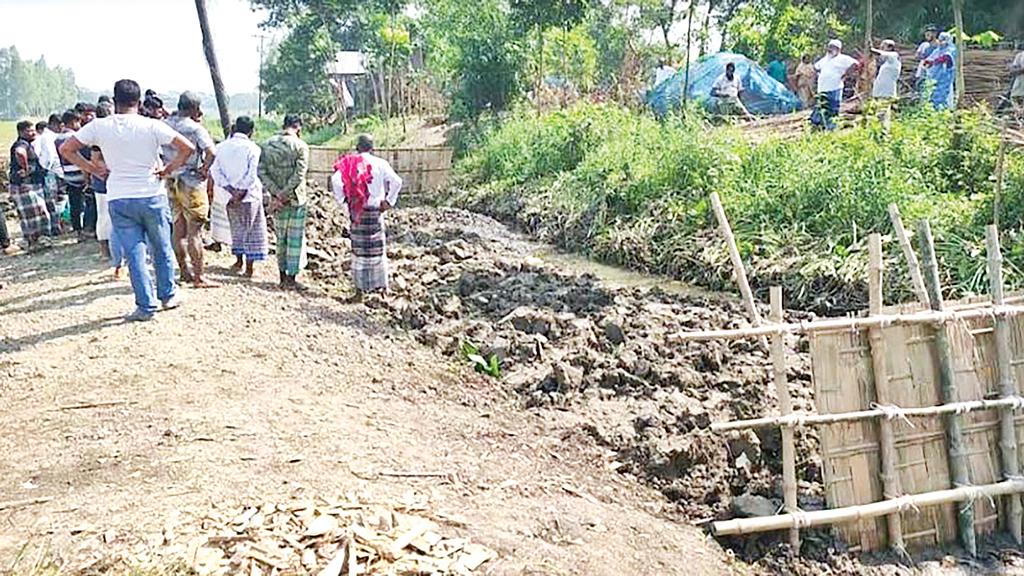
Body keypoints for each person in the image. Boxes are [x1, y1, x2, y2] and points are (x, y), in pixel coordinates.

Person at [60, 78, 195, 322]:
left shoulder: (100, 126)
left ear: (114, 100)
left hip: (119, 196)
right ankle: (167, 294)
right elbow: (187, 148)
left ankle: (145, 305)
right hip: (151, 194)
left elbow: (67, 149)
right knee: (161, 246)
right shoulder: (152, 126)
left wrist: (91, 168)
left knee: (134, 253)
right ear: (139, 100)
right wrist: (167, 169)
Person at [331, 134, 403, 294]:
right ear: (372, 148)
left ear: (357, 148)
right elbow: (397, 182)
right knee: (377, 251)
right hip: (376, 212)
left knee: (359, 253)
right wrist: (389, 202)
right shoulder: (380, 163)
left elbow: (336, 181)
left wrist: (343, 201)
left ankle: (359, 292)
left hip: (358, 212)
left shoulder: (349, 163)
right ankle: (382, 290)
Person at [162, 92, 218, 288]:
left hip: (170, 180)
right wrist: (204, 169)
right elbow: (212, 152)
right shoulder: (195, 129)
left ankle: (184, 272)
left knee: (178, 228)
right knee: (194, 230)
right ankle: (198, 277)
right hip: (191, 182)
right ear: (194, 108)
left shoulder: (164, 125)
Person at [210, 116, 267, 278]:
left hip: (228, 195)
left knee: (236, 228)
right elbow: (252, 174)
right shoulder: (254, 149)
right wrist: (241, 191)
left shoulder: (220, 147)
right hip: (249, 195)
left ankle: (239, 261)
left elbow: (216, 171)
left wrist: (231, 190)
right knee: (252, 229)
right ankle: (249, 267)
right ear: (251, 131)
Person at [259, 114, 310, 290]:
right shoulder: (301, 146)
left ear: (284, 125)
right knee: (295, 239)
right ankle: (291, 279)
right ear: (298, 127)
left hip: (277, 201)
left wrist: (276, 193)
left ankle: (281, 277)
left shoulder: (267, 145)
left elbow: (261, 172)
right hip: (296, 200)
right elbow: (300, 174)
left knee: (281, 239)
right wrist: (285, 193)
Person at [90, 102, 125, 278]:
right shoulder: (100, 135)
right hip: (104, 182)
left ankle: (115, 254)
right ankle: (105, 249)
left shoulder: (110, 132)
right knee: (105, 216)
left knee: (113, 219)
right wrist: (110, 169)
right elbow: (95, 159)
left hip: (112, 180)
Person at [9, 121, 52, 250]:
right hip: (25, 185)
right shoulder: (22, 144)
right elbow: (20, 153)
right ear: (21, 132)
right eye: (30, 130)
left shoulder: (28, 144)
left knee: (31, 214)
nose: (34, 133)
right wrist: (26, 168)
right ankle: (37, 241)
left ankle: (35, 242)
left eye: (34, 130)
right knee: (35, 213)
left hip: (25, 184)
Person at [55, 110, 93, 240]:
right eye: (78, 122)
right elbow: (81, 157)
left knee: (74, 204)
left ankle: (78, 231)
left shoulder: (58, 138)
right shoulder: (76, 138)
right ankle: (88, 228)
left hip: (68, 174)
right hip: (79, 173)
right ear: (73, 122)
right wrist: (87, 175)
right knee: (88, 202)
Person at [810, 39, 859, 131]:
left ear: (838, 49)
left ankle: (831, 129)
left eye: (832, 47)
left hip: (834, 88)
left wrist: (846, 74)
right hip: (822, 89)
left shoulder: (843, 58)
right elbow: (816, 67)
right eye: (829, 47)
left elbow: (856, 64)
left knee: (832, 109)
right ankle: (818, 127)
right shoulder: (824, 59)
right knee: (820, 108)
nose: (830, 49)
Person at [35, 113, 64, 236]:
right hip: (51, 172)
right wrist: (47, 170)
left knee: (56, 200)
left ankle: (57, 226)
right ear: (53, 124)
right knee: (53, 200)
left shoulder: (49, 136)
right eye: (60, 125)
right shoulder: (47, 137)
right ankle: (55, 227)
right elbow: (49, 157)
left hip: (53, 171)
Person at [871, 40, 902, 129]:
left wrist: (871, 48)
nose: (881, 48)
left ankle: (884, 133)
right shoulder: (887, 63)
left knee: (882, 114)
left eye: (883, 47)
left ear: (890, 47)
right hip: (880, 92)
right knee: (879, 114)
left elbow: (879, 53)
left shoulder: (894, 56)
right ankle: (880, 132)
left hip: (886, 91)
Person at [924, 31, 957, 110]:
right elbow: (930, 58)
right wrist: (927, 62)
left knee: (944, 92)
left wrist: (934, 61)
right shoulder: (938, 50)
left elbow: (946, 57)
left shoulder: (951, 48)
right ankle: (934, 109)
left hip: (946, 75)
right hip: (936, 75)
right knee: (934, 91)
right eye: (940, 40)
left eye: (943, 40)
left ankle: (944, 109)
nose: (941, 42)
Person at [915, 25, 940, 95]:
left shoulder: (939, 45)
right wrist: (922, 56)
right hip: (923, 69)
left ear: (935, 34)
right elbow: (917, 55)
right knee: (920, 85)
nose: (927, 36)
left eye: (929, 34)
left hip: (934, 70)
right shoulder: (924, 45)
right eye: (926, 34)